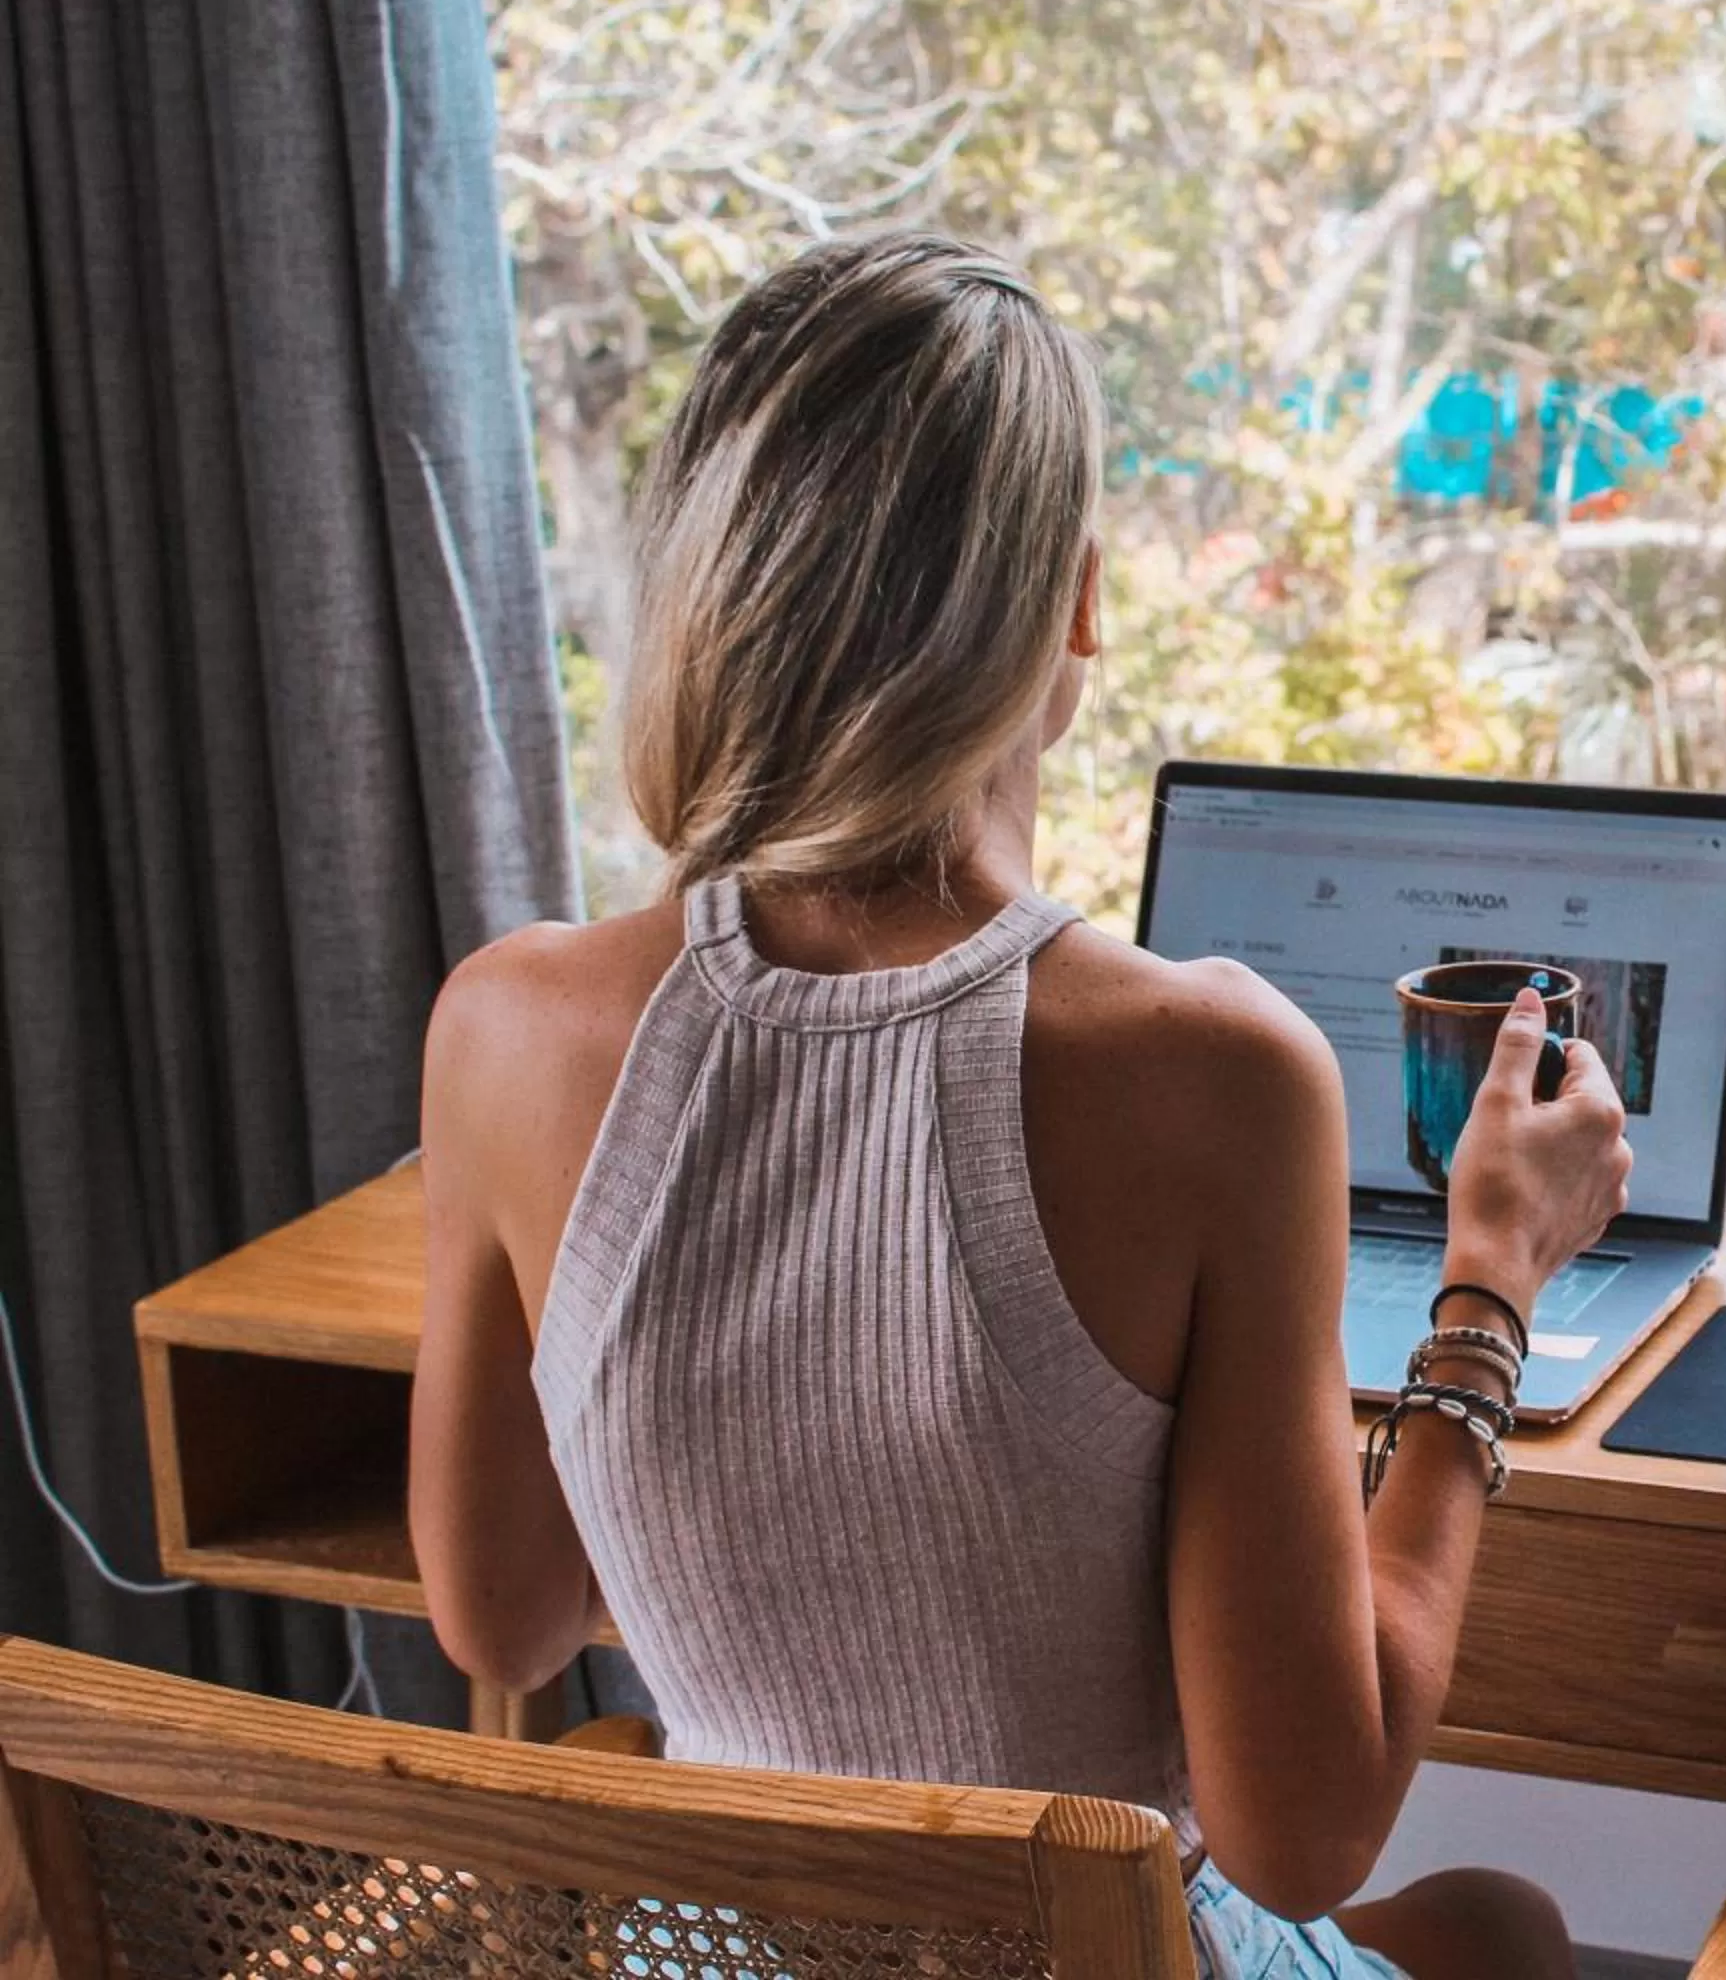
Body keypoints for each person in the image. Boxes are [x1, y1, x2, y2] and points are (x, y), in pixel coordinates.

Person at [410, 231, 1631, 1980]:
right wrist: (1493, 1275)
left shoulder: (504, 1027)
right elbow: (1298, 1837)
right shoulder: (1221, 1072)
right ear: (1074, 605)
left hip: (723, 1959)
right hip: (1089, 1952)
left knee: (1480, 1928)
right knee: (1511, 1932)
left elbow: (503, 1616)